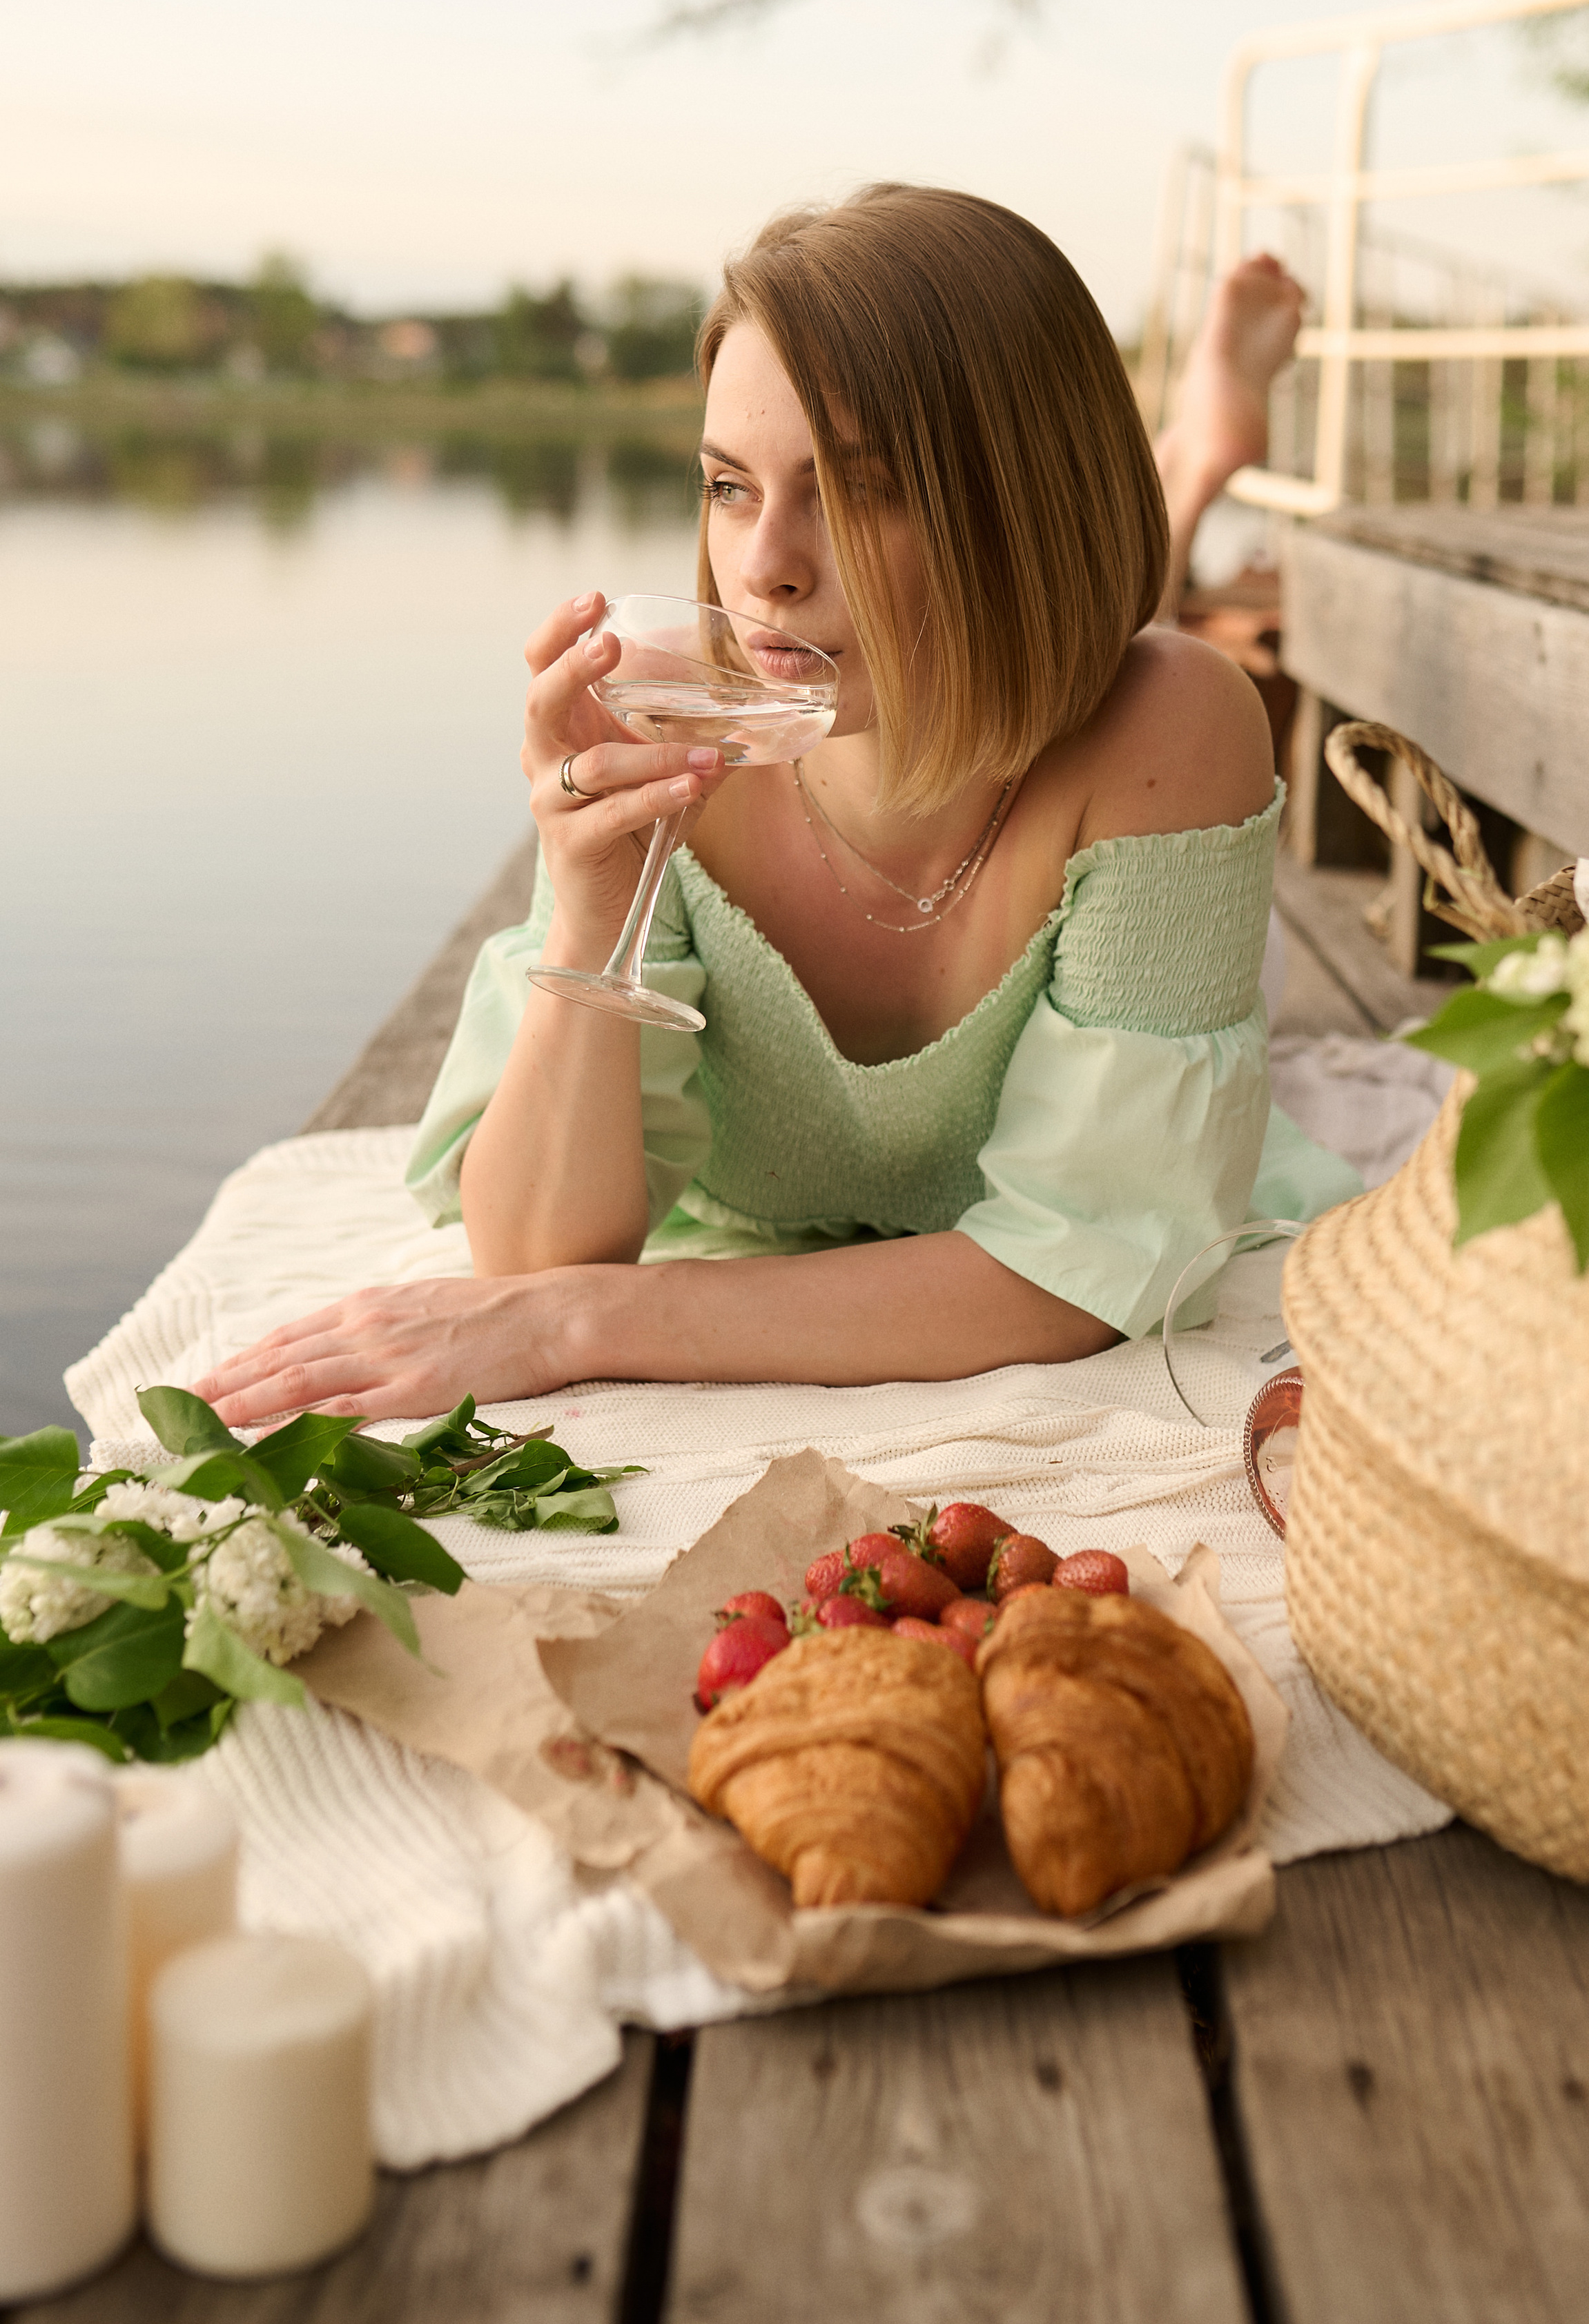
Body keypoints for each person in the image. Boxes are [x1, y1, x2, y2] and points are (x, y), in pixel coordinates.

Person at [195, 189, 1349, 1425]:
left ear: (1020, 497)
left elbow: (1089, 1260)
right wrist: (591, 908)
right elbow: (529, 1258)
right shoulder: (677, 720)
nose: (763, 569)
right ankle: (1197, 445)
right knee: (1026, 647)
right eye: (729, 485)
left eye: (860, 490)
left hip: (1144, 882)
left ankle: (1198, 453)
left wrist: (587, 1324)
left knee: (1118, 665)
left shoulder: (1177, 740)